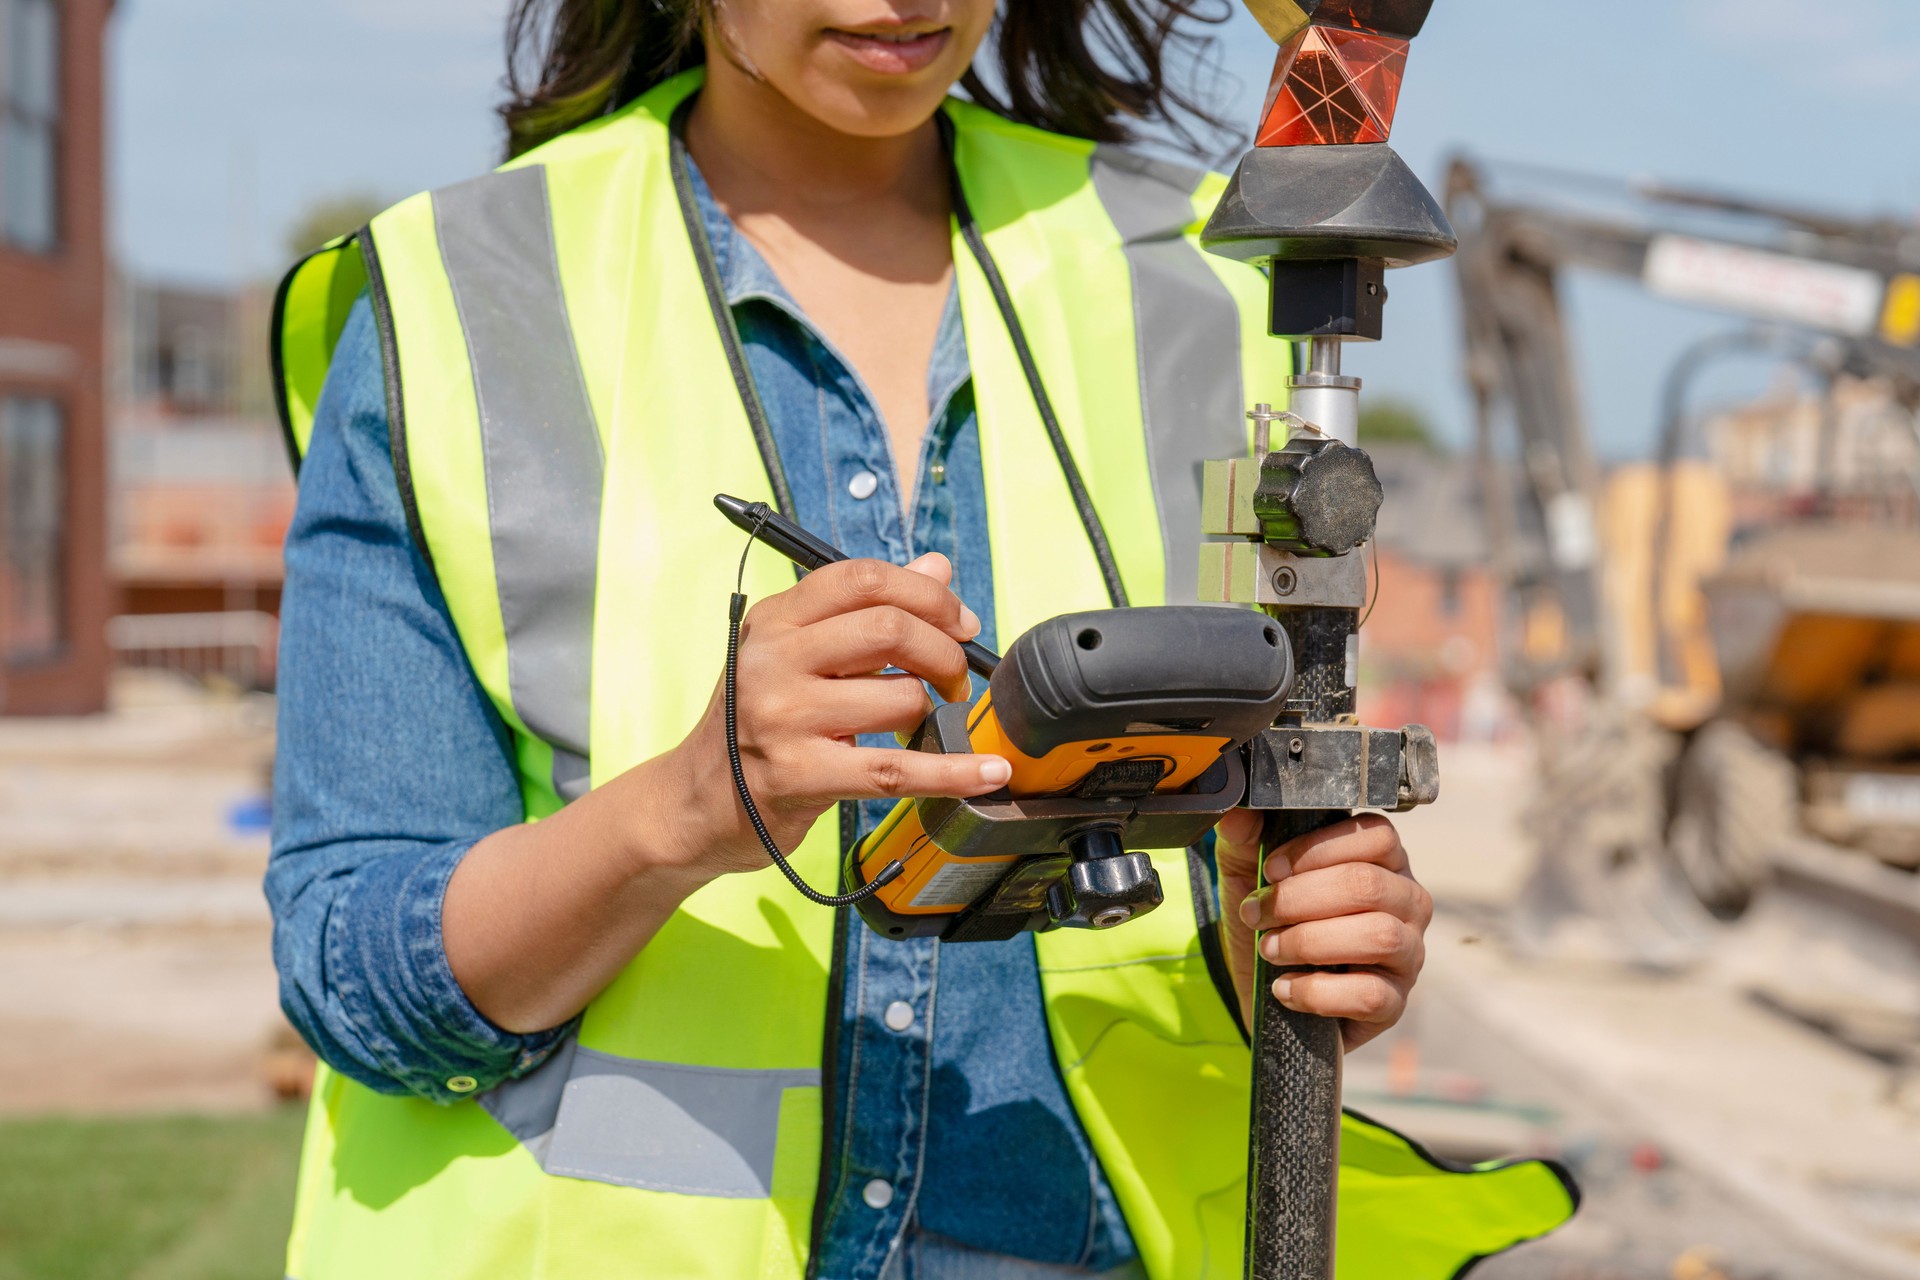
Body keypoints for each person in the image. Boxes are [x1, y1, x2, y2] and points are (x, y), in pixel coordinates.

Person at [266, 3, 1575, 1278]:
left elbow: (1234, 849)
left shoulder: (1207, 274)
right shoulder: (460, 296)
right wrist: (680, 811)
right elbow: (357, 977)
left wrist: (1294, 934)